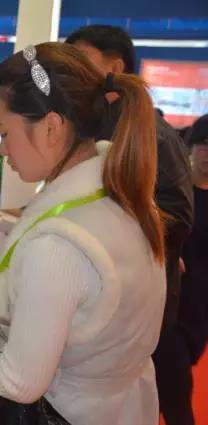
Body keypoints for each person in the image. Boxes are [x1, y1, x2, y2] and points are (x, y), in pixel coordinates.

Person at [0, 42, 166, 424]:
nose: (3, 150)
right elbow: (50, 283)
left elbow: (19, 381)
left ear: (51, 127)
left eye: (5, 132)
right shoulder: (115, 195)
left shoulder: (58, 243)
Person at [66, 25, 194, 425]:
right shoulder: (95, 126)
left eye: (81, 60)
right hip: (97, 291)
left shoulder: (152, 134)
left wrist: (108, 231)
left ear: (115, 68)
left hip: (136, 298)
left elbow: (177, 216)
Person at [177, 115, 208, 424]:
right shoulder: (175, 192)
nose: (207, 154)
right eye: (203, 145)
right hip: (168, 307)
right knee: (176, 392)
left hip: (200, 308)